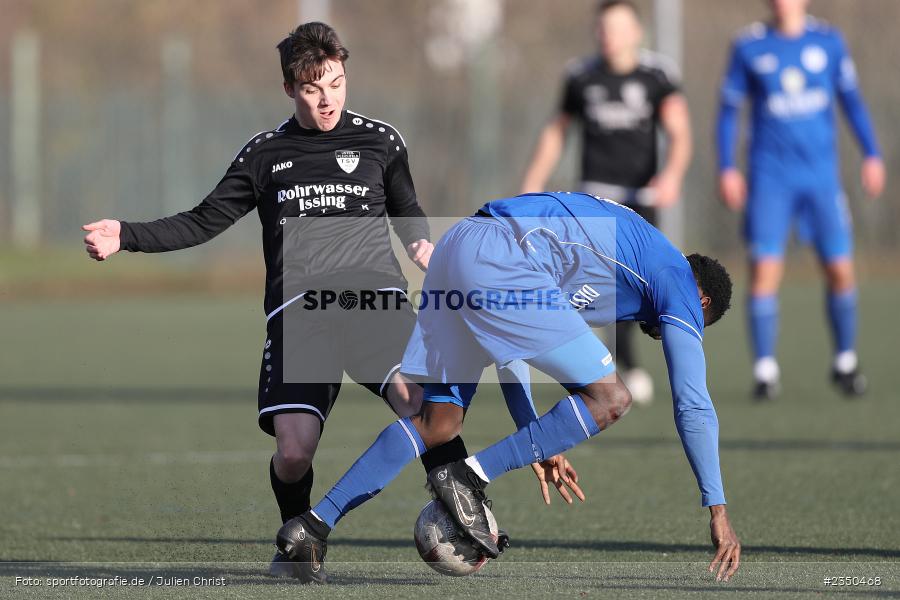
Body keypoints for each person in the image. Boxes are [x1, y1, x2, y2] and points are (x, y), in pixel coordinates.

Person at [81, 21, 468, 578]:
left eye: (335, 83)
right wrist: (126, 234)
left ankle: (466, 513)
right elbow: (204, 220)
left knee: (423, 404)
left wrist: (420, 244)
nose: (327, 99)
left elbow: (408, 212)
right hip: (302, 314)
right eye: (312, 88)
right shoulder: (266, 154)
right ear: (289, 88)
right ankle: (300, 543)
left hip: (374, 303)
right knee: (293, 452)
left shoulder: (382, 141)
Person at [275, 192, 741, 584]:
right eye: (699, 323)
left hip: (461, 247)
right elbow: (693, 404)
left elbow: (511, 348)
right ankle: (466, 477)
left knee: (437, 424)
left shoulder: (622, 259)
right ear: (702, 300)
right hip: (499, 258)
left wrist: (536, 435)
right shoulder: (676, 279)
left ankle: (312, 526)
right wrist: (717, 508)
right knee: (612, 398)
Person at [520, 0, 692, 405]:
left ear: (636, 32)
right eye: (602, 28)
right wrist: (532, 183)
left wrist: (672, 175)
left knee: (637, 283)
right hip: (593, 201)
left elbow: (680, 132)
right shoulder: (581, 76)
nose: (608, 36)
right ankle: (613, 364)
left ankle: (626, 360)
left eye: (617, 28)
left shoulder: (658, 74)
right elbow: (557, 132)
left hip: (640, 200)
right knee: (593, 281)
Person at [717, 0, 885, 399]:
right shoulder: (749, 46)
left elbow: (852, 101)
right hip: (770, 178)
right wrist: (727, 167)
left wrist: (872, 153)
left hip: (821, 178)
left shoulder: (828, 42)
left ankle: (845, 362)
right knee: (764, 270)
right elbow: (728, 113)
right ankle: (765, 371)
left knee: (840, 268)